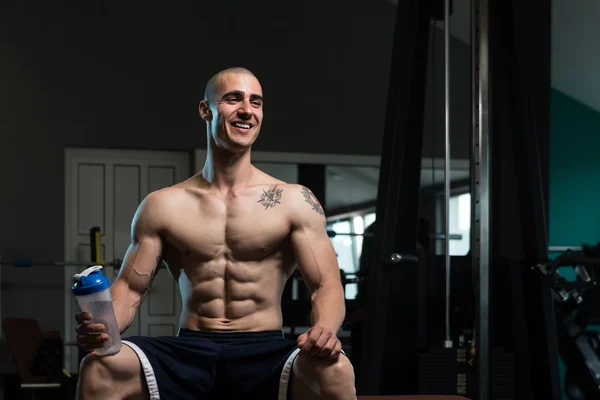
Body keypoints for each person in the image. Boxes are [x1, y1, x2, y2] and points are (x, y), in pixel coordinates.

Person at [74, 67, 356, 400]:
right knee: (98, 367)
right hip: (189, 349)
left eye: (256, 102)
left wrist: (324, 328)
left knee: (336, 369)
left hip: (264, 350)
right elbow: (130, 290)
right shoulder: (163, 205)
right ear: (205, 110)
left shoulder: (293, 201)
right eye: (233, 99)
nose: (247, 110)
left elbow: (326, 284)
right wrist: (102, 329)